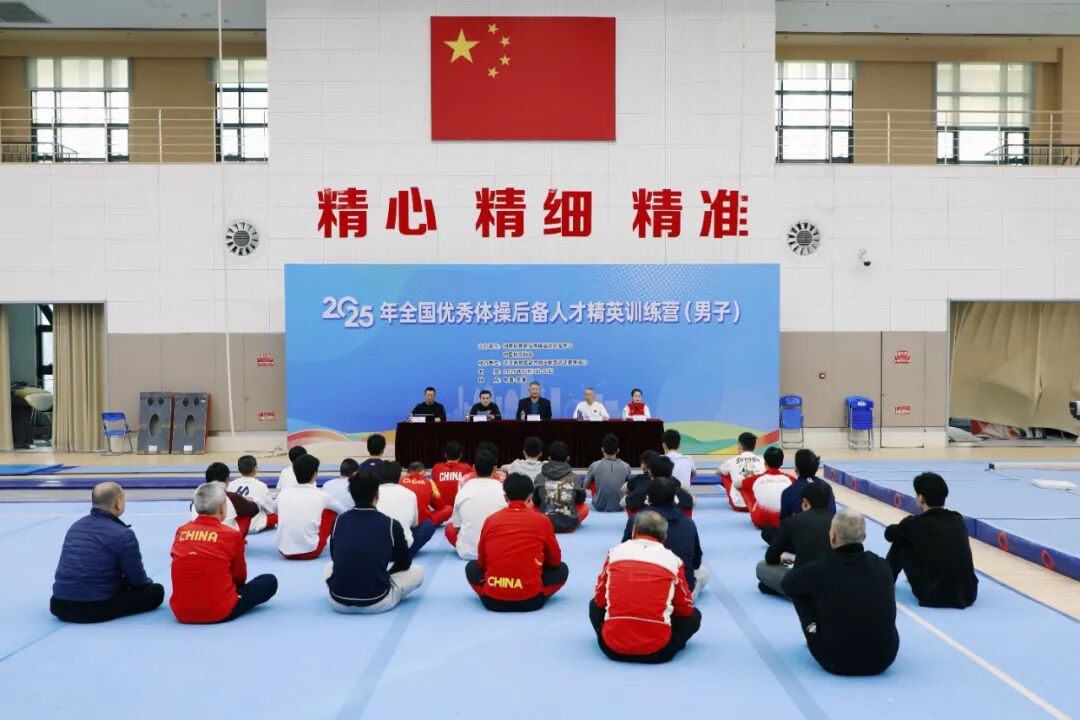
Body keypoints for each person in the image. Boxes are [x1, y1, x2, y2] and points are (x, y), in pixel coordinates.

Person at [781, 509, 899, 676]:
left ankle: (814, 631)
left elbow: (787, 586)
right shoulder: (882, 566)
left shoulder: (819, 569)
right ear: (864, 537)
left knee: (801, 592)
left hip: (835, 660)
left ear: (833, 537)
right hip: (884, 658)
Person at [591, 511, 701, 664]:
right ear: (664, 536)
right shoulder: (673, 560)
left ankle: (611, 632)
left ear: (634, 530)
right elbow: (685, 609)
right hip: (658, 652)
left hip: (612, 649)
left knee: (593, 605)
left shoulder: (615, 553)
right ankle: (672, 641)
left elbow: (600, 600)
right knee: (694, 616)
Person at [50, 482, 164, 623]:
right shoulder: (123, 534)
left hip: (59, 604)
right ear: (118, 504)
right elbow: (138, 581)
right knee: (156, 592)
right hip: (93, 606)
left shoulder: (75, 526)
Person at [170, 482, 278, 623]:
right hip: (219, 611)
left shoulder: (181, 531)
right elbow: (239, 577)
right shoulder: (231, 535)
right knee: (269, 581)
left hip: (181, 612)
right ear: (222, 509)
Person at [465, 473, 569, 612]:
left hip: (493, 600)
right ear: (530, 497)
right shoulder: (542, 521)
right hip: (531, 601)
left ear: (505, 497)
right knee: (562, 569)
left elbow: (482, 563)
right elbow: (555, 561)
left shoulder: (491, 520)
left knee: (471, 567)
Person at [325, 471, 424, 613]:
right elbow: (404, 563)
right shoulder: (391, 524)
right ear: (377, 494)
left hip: (338, 601)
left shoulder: (338, 521)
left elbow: (335, 557)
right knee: (417, 572)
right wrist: (386, 574)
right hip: (376, 602)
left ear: (352, 495)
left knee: (329, 567)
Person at [885, 472, 977, 609]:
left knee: (901, 540)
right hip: (968, 593)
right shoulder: (957, 519)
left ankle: (885, 581)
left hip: (933, 596)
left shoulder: (913, 524)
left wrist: (902, 527)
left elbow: (889, 534)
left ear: (921, 498)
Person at [621, 474, 709, 600]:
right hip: (678, 594)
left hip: (641, 592)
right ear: (674, 498)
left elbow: (624, 553)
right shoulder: (688, 523)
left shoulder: (635, 520)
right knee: (703, 572)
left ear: (648, 498)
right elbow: (696, 562)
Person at [756, 483, 834, 598]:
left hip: (802, 586)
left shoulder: (792, 522)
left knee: (762, 566)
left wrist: (780, 559)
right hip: (832, 585)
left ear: (805, 502)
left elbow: (770, 558)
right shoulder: (840, 523)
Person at [276, 454, 347, 560]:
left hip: (283, 550)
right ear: (315, 474)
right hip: (311, 551)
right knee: (330, 511)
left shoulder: (282, 494)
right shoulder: (322, 495)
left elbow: (273, 510)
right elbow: (344, 511)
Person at [446, 451, 507, 560]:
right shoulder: (503, 489)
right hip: (498, 551)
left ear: (473, 468)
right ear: (494, 469)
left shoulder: (464, 489)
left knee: (449, 528)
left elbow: (457, 527)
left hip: (468, 552)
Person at [768, 449, 836, 545]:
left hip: (802, 542)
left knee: (768, 531)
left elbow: (783, 524)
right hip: (826, 540)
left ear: (796, 469)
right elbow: (833, 514)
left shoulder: (788, 491)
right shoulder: (827, 487)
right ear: (816, 468)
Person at [375, 461, 436, 557]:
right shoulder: (410, 493)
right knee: (428, 525)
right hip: (403, 550)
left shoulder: (371, 494)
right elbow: (415, 523)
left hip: (376, 552)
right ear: (400, 476)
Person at [535, 441, 589, 533]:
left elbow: (536, 501)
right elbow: (580, 500)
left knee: (532, 506)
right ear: (568, 458)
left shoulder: (539, 477)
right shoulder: (575, 477)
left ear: (549, 458)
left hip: (545, 523)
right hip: (569, 523)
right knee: (585, 507)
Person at [198, 462, 261, 535]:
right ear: (227, 480)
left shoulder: (198, 497)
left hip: (202, 534)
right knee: (246, 513)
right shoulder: (231, 497)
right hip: (225, 536)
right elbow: (254, 509)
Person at [625, 454, 695, 517]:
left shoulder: (640, 492)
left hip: (648, 525)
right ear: (671, 474)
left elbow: (623, 502)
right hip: (676, 525)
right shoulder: (679, 492)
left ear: (649, 472)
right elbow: (693, 501)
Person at [742, 446, 794, 529]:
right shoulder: (790, 479)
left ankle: (756, 509)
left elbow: (738, 485)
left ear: (765, 463)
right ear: (782, 463)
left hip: (761, 520)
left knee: (744, 487)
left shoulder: (756, 478)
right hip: (784, 520)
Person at [227, 455, 278, 532]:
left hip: (236, 525)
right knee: (278, 516)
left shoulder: (231, 485)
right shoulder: (261, 486)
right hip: (254, 525)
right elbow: (270, 509)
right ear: (255, 469)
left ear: (238, 470)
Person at [717, 432, 765, 512]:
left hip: (739, 505)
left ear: (739, 445)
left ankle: (736, 495)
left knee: (725, 474)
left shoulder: (732, 461)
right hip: (759, 505)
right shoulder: (762, 460)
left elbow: (718, 472)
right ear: (754, 446)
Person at [585, 433, 632, 512]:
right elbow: (630, 488)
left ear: (602, 449)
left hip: (599, 506)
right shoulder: (626, 466)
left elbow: (585, 486)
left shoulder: (594, 465)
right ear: (618, 450)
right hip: (620, 506)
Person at [401, 461, 453, 526]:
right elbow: (440, 506)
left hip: (402, 521)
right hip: (422, 522)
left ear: (407, 472)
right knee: (448, 509)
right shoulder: (429, 482)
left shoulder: (399, 481)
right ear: (422, 472)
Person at [432, 440, 473, 510]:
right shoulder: (467, 468)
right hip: (461, 509)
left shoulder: (436, 468)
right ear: (461, 455)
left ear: (445, 455)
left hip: (442, 510)